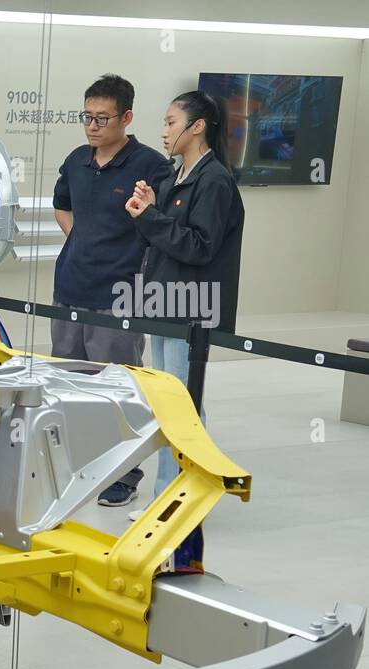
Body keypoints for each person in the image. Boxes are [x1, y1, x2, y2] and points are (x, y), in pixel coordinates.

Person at [51, 74, 172, 508]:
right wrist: (80, 241)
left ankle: (123, 474)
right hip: (70, 288)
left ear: (126, 117)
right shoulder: (77, 160)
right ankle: (77, 465)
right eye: (87, 117)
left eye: (102, 118)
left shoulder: (151, 165)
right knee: (68, 385)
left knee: (116, 389)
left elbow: (161, 224)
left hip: (119, 294)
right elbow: (61, 205)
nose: (93, 126)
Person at [125, 89, 244, 512]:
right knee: (170, 405)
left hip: (191, 308)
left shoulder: (213, 181)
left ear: (197, 127)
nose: (164, 131)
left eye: (171, 123)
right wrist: (148, 209)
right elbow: (163, 240)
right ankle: (169, 498)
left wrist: (152, 217)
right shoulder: (177, 176)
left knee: (184, 409)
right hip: (167, 304)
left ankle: (176, 504)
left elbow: (199, 247)